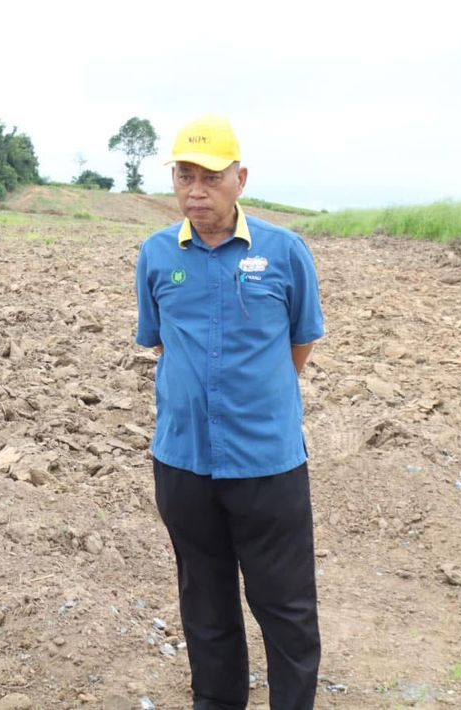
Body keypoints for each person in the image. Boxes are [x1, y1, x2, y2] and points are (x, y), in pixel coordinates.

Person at [134, 116, 326, 709]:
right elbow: (161, 342)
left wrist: (257, 401)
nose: (196, 190)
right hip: (185, 463)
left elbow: (300, 342)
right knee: (206, 607)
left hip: (266, 463)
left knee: (285, 608)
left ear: (240, 179)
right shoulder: (158, 255)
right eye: (185, 176)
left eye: (211, 177)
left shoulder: (284, 252)